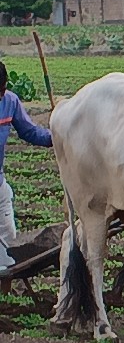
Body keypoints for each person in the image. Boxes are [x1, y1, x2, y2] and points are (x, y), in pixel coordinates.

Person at [0, 61, 53, 270]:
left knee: (8, 241)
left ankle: (5, 291)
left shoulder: (10, 101)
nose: (0, 95)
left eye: (3, 89)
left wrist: (55, 136)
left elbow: (29, 131)